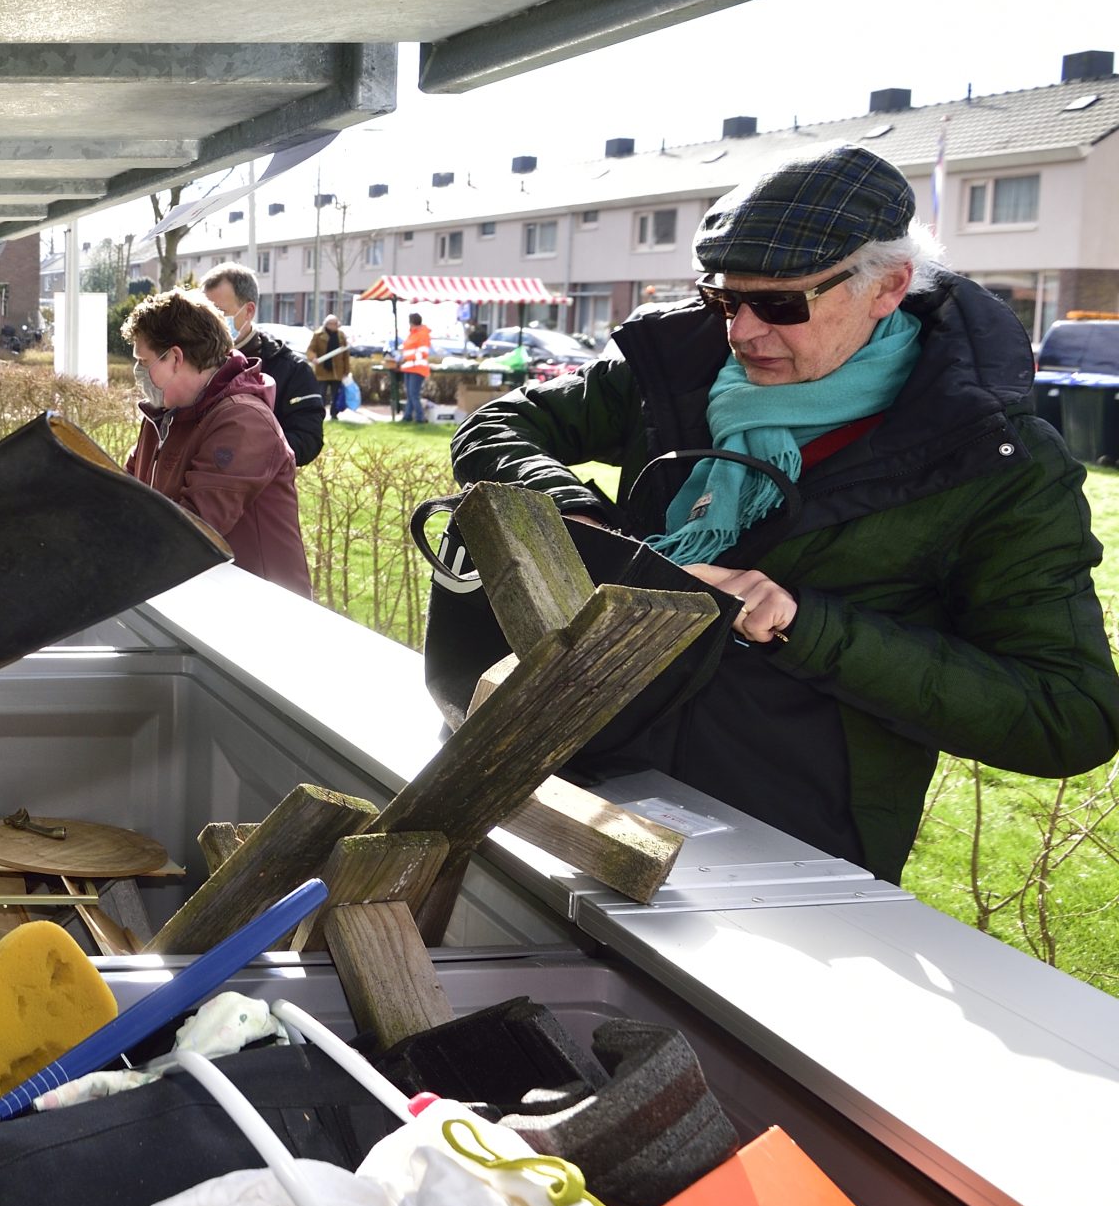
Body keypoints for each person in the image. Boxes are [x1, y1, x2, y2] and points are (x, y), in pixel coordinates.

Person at [453, 144, 1119, 880]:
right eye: (724, 298)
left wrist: (804, 624)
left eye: (779, 304)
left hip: (784, 847)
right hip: (586, 775)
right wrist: (574, 515)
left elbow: (1070, 714)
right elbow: (496, 427)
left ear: (888, 286)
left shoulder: (994, 458)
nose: (741, 332)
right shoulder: (682, 364)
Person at [121, 288, 311, 596]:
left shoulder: (243, 421)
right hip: (197, 601)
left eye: (144, 361)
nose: (139, 373)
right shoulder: (162, 416)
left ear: (175, 357)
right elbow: (125, 494)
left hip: (257, 616)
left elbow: (191, 531)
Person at [200, 263, 324, 466]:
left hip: (259, 491)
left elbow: (307, 439)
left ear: (248, 311)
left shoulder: (291, 370)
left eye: (219, 314)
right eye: (203, 315)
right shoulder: (192, 362)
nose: (208, 325)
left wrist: (245, 454)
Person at [306, 315, 351, 422]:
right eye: (332, 324)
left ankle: (334, 414)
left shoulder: (341, 335)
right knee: (321, 394)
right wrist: (313, 358)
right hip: (323, 370)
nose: (335, 326)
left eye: (336, 324)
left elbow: (345, 354)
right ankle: (320, 414)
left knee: (336, 394)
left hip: (337, 370)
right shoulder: (318, 335)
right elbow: (310, 350)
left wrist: (346, 370)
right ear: (327, 324)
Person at [398, 311, 434, 424]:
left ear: (411, 322)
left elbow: (423, 352)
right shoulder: (413, 333)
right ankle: (407, 416)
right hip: (409, 367)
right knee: (410, 394)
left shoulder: (422, 334)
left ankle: (420, 417)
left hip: (417, 367)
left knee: (413, 394)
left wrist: (407, 357)